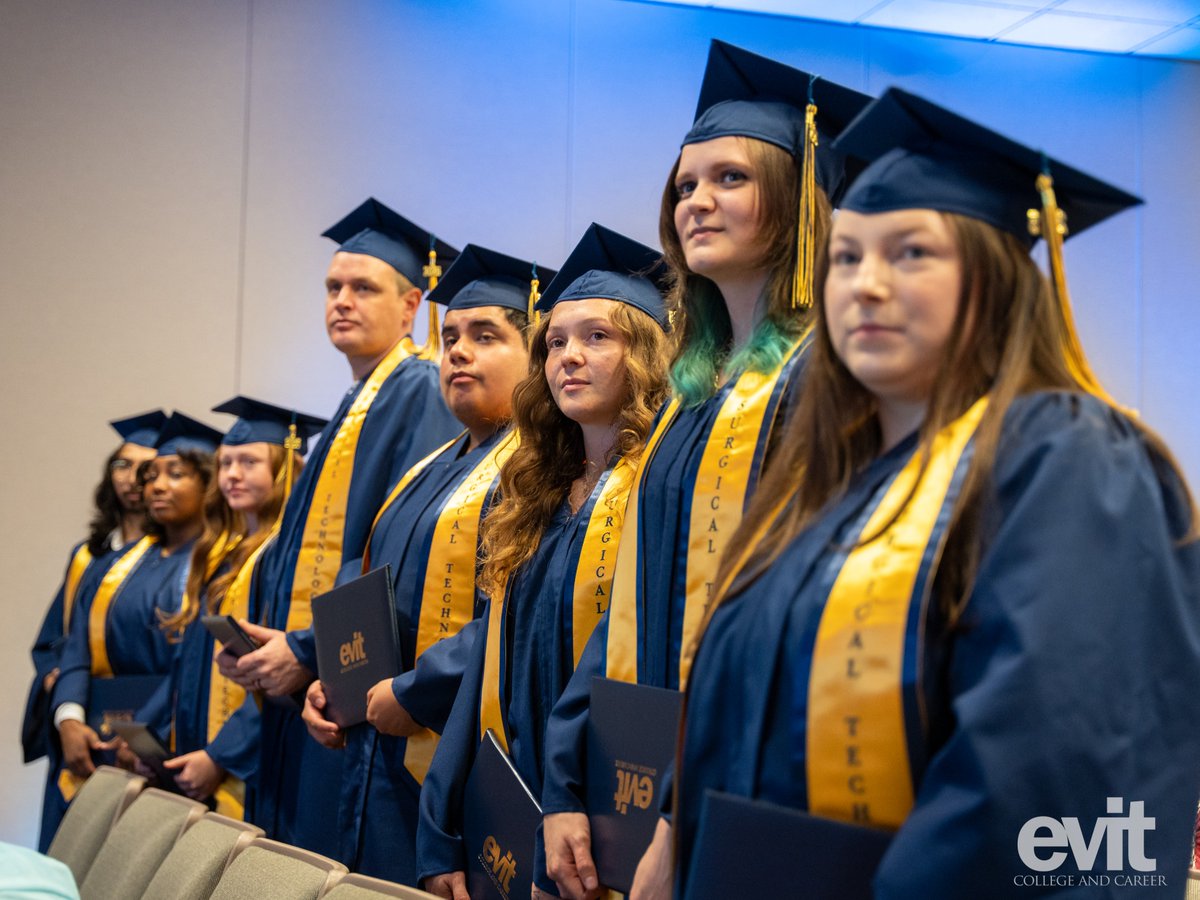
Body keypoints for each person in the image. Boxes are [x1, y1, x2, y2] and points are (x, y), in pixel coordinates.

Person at [672, 87, 1200, 897]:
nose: (866, 285)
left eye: (910, 253)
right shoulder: (821, 487)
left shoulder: (1070, 460)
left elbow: (1054, 769)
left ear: (993, 278)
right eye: (845, 257)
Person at [539, 41, 871, 899]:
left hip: (743, 790)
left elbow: (788, 625)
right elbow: (625, 603)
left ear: (799, 200)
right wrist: (565, 789)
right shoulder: (692, 401)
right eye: (684, 186)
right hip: (638, 783)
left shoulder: (828, 383)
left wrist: (689, 816)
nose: (697, 201)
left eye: (730, 179)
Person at [417, 224, 671, 900]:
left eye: (597, 337)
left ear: (646, 352)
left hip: (599, 816)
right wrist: (440, 821)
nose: (569, 357)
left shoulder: (659, 487)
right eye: (555, 342)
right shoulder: (532, 493)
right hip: (508, 807)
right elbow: (486, 670)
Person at [217, 198, 462, 853]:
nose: (342, 301)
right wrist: (268, 645)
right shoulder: (353, 405)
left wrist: (305, 653)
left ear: (412, 305)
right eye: (332, 288)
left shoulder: (420, 390)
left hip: (347, 683)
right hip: (310, 678)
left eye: (363, 287)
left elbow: (398, 554)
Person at [300, 242, 541, 883]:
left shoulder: (541, 473)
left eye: (484, 336)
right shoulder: (428, 469)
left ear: (535, 355)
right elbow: (370, 586)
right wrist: (335, 676)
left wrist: (414, 691)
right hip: (374, 751)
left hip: (450, 763)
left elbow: (514, 617)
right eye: (451, 336)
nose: (456, 350)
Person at [140, 397, 325, 817]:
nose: (232, 475)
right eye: (225, 463)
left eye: (249, 462)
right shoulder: (224, 554)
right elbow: (191, 666)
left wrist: (221, 755)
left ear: (286, 468)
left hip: (253, 764)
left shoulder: (291, 558)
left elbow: (277, 672)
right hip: (201, 749)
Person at [47, 413, 220, 838]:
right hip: (97, 740)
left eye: (174, 474)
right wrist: (68, 719)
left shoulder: (216, 568)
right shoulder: (114, 566)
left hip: (167, 749)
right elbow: (76, 649)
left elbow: (194, 667)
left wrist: (142, 735)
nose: (154, 486)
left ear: (208, 485)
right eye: (151, 476)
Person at [28, 410, 165, 849]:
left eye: (145, 469)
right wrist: (58, 682)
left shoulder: (172, 560)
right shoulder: (87, 557)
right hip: (81, 712)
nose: (130, 478)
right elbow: (55, 638)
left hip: (140, 722)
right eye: (121, 465)